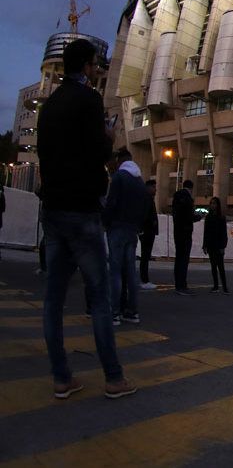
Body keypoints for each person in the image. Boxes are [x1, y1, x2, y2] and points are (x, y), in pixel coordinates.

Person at [36, 38, 136, 399]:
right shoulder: (89, 100)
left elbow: (45, 152)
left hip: (53, 209)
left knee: (54, 299)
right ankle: (114, 378)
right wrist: (108, 135)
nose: (98, 69)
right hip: (82, 209)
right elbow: (99, 151)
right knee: (99, 298)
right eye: (95, 64)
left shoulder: (50, 106)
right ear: (86, 67)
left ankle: (61, 378)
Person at [102, 148, 146, 327]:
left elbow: (111, 203)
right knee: (130, 272)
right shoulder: (139, 180)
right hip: (132, 230)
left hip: (117, 227)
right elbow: (144, 207)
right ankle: (132, 311)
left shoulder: (119, 177)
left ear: (120, 160)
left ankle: (114, 313)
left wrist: (105, 222)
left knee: (115, 271)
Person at [170, 179, 203, 295]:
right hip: (185, 232)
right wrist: (198, 217)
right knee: (184, 259)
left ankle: (177, 284)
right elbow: (188, 216)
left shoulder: (177, 196)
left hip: (177, 231)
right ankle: (182, 285)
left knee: (178, 258)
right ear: (191, 188)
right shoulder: (188, 198)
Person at [203, 197, 230, 294]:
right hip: (211, 245)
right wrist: (204, 245)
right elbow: (206, 232)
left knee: (221, 266)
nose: (212, 205)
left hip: (219, 245)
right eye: (211, 203)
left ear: (218, 205)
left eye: (214, 203)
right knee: (213, 266)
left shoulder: (221, 217)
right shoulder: (208, 217)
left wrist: (223, 246)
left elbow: (224, 233)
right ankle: (215, 286)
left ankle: (225, 287)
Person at [138, 179, 158, 290]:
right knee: (145, 256)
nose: (155, 190)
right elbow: (145, 215)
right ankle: (144, 280)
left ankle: (144, 279)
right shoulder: (147, 199)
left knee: (145, 256)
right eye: (154, 187)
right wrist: (147, 226)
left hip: (147, 231)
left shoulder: (147, 198)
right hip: (147, 231)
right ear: (148, 187)